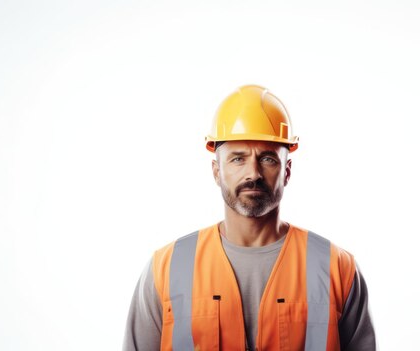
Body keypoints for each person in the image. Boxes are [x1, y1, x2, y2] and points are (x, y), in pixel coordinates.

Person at [123, 85, 376, 350]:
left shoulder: (337, 268)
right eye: (237, 159)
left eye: (267, 158)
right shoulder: (166, 268)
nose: (252, 173)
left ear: (287, 171)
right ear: (216, 171)